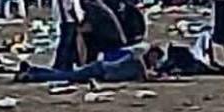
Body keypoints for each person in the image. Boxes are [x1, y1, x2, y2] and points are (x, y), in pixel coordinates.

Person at [15, 43, 163, 84]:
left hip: (101, 70)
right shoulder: (137, 61)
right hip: (100, 69)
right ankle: (32, 74)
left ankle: (33, 71)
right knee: (66, 76)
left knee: (66, 75)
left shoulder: (140, 64)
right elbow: (144, 75)